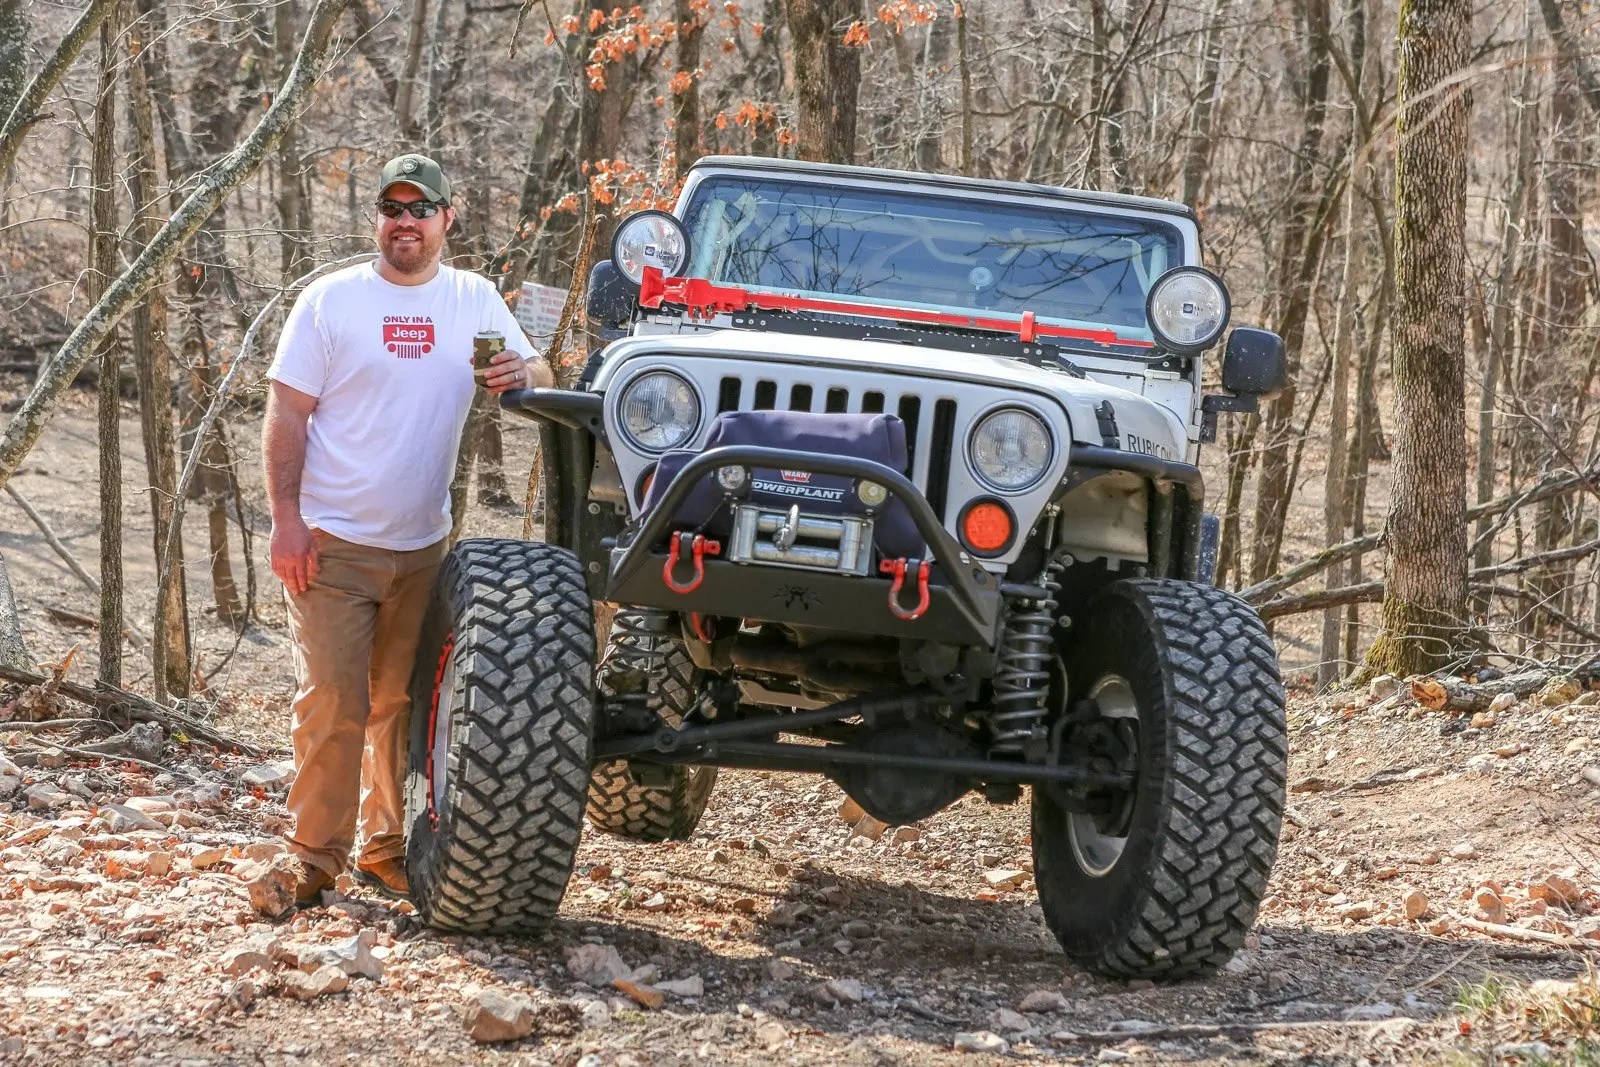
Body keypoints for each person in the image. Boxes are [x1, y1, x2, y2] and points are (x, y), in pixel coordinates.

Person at [262, 153, 554, 904]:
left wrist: (523, 375)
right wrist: (286, 522)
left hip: (422, 547)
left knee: (396, 703)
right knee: (334, 701)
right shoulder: (331, 301)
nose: (406, 222)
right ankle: (312, 854)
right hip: (331, 542)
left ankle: (383, 846)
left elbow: (541, 373)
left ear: (447, 218)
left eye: (421, 209)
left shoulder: (473, 299)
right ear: (377, 219)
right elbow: (286, 413)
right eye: (392, 208)